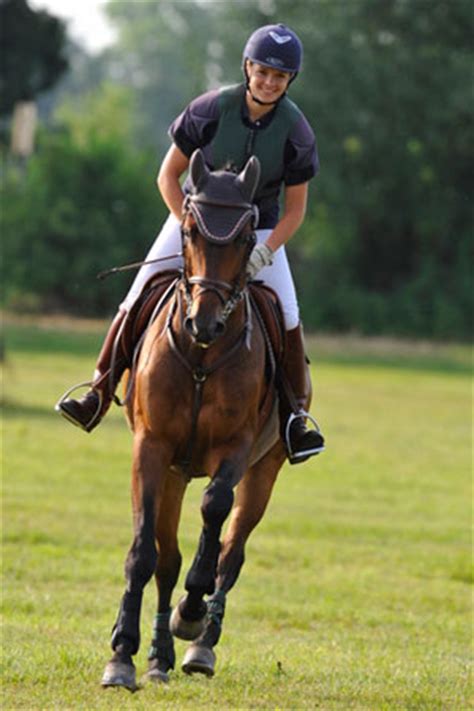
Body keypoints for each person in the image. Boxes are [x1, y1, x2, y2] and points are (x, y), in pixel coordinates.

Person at [56, 22, 325, 463]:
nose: (269, 82)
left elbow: (295, 209)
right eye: (262, 72)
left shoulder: (296, 131)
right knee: (138, 292)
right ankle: (98, 390)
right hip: (194, 221)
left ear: (289, 80)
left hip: (256, 232)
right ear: (247, 67)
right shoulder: (211, 109)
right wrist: (188, 227)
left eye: (279, 76)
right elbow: (167, 175)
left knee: (288, 313)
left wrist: (264, 251)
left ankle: (295, 418)